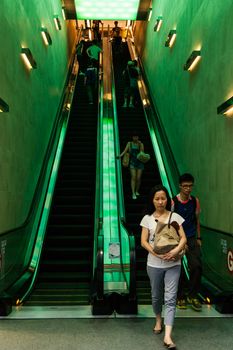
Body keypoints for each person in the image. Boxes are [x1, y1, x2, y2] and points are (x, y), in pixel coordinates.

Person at [141, 185, 187, 350]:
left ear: (168, 200)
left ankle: (168, 336)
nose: (160, 202)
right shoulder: (147, 219)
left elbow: (183, 238)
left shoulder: (175, 217)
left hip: (173, 264)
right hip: (154, 264)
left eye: (163, 198)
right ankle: (158, 319)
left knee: (170, 298)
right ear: (152, 200)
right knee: (156, 296)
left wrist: (175, 251)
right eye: (157, 199)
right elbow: (143, 241)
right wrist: (155, 253)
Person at [172, 173, 202, 311]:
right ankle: (180, 296)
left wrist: (198, 238)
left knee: (196, 266)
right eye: (185, 186)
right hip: (177, 238)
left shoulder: (195, 201)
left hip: (191, 237)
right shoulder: (173, 202)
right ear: (180, 186)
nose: (188, 189)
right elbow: (170, 223)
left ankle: (193, 295)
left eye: (190, 186)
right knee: (179, 269)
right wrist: (177, 242)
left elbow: (197, 221)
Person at [117, 133, 144, 199]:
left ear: (138, 137)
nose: (135, 138)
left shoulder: (141, 144)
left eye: (137, 137)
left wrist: (140, 145)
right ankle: (133, 193)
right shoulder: (129, 143)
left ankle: (137, 190)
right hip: (132, 162)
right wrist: (120, 156)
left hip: (140, 163)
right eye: (134, 137)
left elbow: (142, 153)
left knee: (138, 178)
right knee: (133, 177)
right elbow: (125, 151)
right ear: (132, 137)